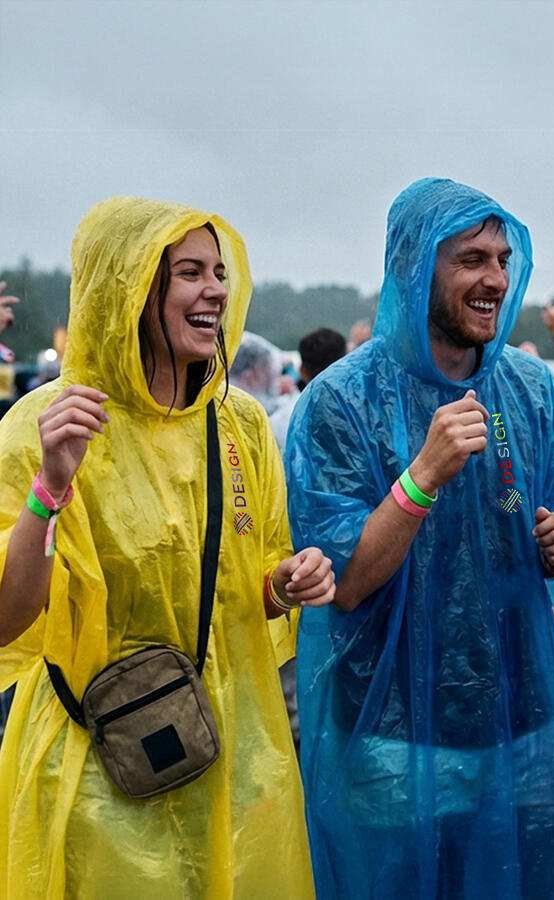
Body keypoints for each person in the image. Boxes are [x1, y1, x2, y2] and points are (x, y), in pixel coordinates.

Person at [0, 196, 335, 898]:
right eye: (189, 272)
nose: (216, 290)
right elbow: (7, 617)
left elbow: (252, 586)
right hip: (99, 779)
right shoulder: (47, 425)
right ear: (126, 287)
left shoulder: (239, 424)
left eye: (220, 272)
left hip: (228, 755)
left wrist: (286, 584)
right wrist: (50, 487)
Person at [285, 177, 554, 900]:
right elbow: (346, 583)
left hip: (521, 724)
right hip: (392, 737)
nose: (496, 279)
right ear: (414, 267)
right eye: (471, 260)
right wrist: (423, 475)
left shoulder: (529, 388)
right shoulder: (340, 402)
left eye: (503, 260)